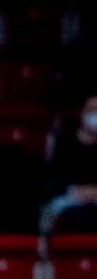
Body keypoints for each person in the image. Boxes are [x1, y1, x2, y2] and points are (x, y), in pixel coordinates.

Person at [41, 96, 97, 234]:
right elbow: (55, 178)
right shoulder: (65, 142)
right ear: (82, 113)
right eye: (92, 110)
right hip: (69, 196)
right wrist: (76, 192)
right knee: (49, 212)